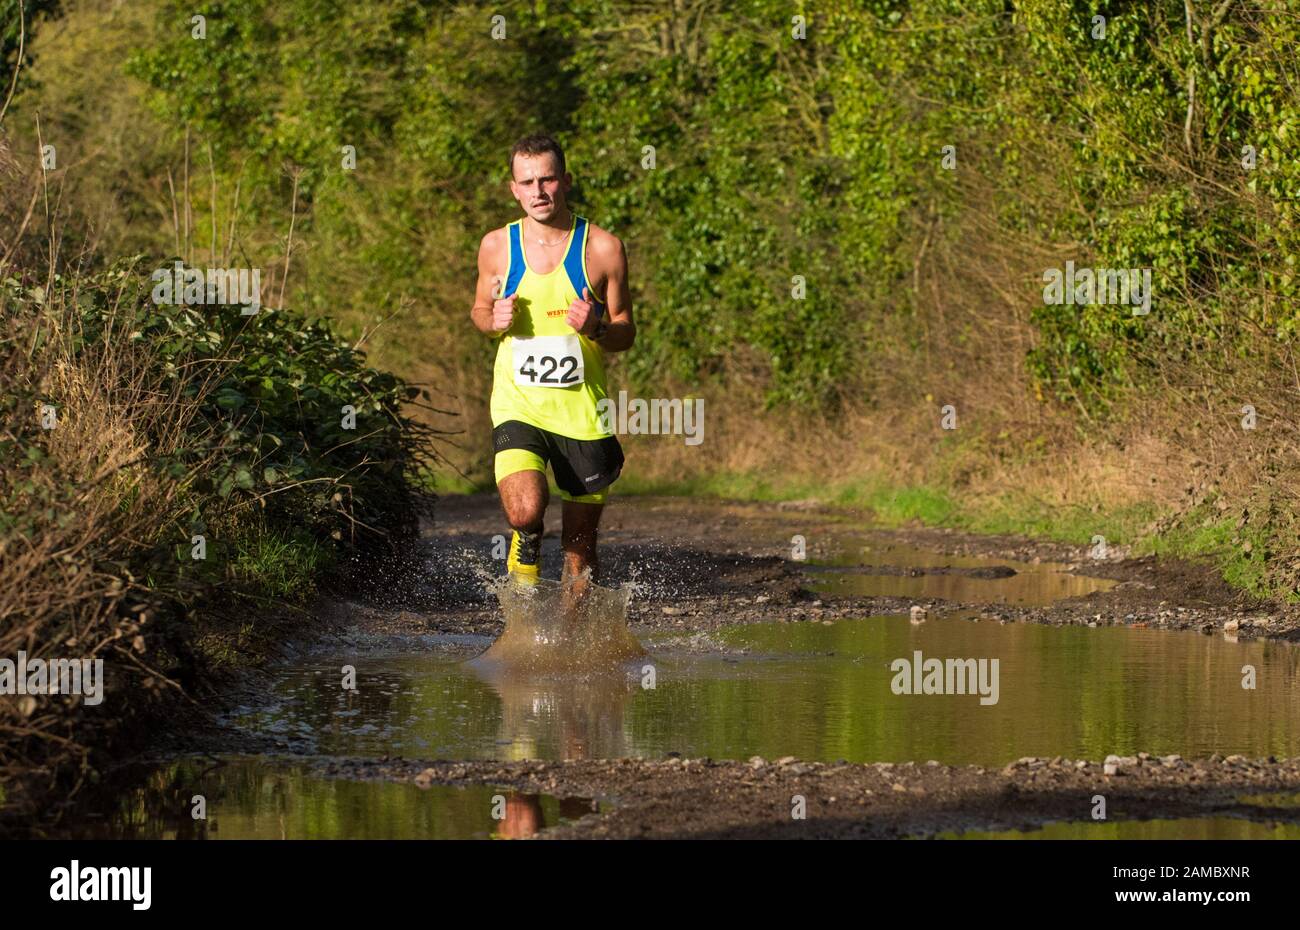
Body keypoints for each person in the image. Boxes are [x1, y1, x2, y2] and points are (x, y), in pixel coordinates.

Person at [469, 133, 635, 602]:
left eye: (547, 179)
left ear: (565, 181)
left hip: (583, 413)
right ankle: (523, 618)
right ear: (514, 189)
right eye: (528, 182)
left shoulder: (603, 248)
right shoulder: (497, 246)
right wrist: (491, 320)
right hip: (518, 404)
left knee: (579, 549)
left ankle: (566, 648)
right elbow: (479, 310)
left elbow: (627, 330)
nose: (538, 191)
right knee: (524, 513)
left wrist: (600, 327)